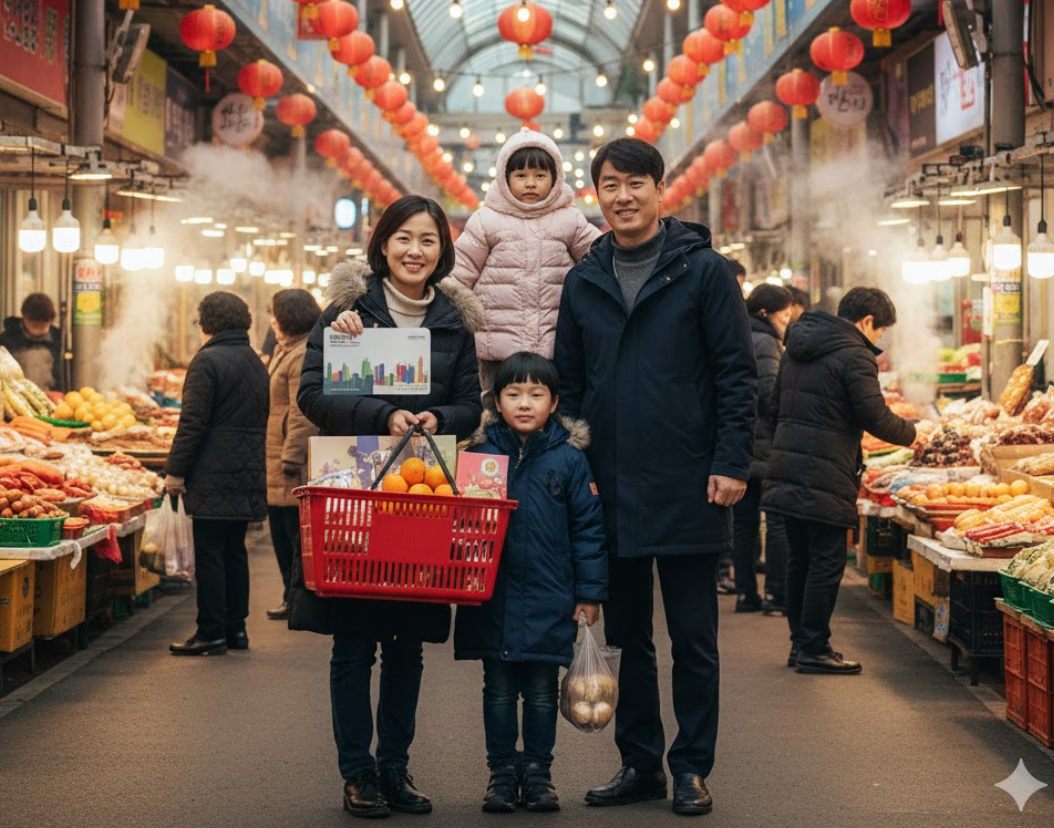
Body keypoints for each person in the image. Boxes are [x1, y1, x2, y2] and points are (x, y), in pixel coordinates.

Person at [554, 137, 757, 816]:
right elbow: (571, 386)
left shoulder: (704, 272)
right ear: (597, 194)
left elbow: (735, 374)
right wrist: (570, 467)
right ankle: (639, 761)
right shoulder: (585, 280)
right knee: (628, 638)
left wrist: (731, 461)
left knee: (694, 639)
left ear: (659, 189)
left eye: (635, 182)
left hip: (689, 481)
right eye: (610, 184)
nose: (623, 196)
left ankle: (691, 766)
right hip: (608, 484)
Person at [295, 195, 484, 819]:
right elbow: (313, 395)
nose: (414, 251)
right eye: (404, 238)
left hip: (421, 495)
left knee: (406, 644)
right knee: (353, 643)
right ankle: (357, 773)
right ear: (381, 244)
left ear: (442, 250)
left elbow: (469, 405)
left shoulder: (455, 321)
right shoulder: (348, 313)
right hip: (354, 495)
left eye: (428, 240)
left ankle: (395, 767)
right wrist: (383, 413)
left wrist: (440, 418)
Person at [454, 352, 608, 814]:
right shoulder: (478, 456)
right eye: (513, 393)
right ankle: (501, 774)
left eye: (536, 394)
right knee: (498, 690)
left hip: (550, 597)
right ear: (495, 400)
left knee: (542, 692)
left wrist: (589, 593)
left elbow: (589, 530)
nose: (525, 403)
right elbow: (458, 527)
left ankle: (539, 774)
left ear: (554, 401)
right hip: (491, 596)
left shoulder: (569, 460)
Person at [762, 287, 916, 674]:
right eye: (880, 331)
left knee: (800, 559)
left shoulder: (797, 346)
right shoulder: (855, 354)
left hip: (787, 466)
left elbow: (774, 406)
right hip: (825, 472)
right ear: (867, 322)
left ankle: (800, 644)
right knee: (826, 562)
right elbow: (874, 415)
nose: (878, 339)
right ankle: (815, 646)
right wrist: (914, 433)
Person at [451, 128, 600, 396]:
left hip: (555, 344)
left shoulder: (570, 220)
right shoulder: (486, 221)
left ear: (555, 179)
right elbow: (459, 275)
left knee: (553, 406)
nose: (530, 183)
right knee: (496, 407)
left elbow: (599, 260)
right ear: (504, 179)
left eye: (540, 176)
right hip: (497, 347)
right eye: (521, 176)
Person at [164, 291, 270, 656]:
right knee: (233, 551)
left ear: (206, 322)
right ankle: (235, 630)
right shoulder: (255, 362)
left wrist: (175, 471)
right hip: (246, 470)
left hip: (213, 470)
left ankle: (210, 632)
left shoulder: (206, 361)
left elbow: (192, 423)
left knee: (210, 553)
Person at [733, 285, 793, 615]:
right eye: (784, 316)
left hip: (742, 447)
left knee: (744, 524)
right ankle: (776, 593)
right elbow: (770, 396)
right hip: (766, 447)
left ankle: (746, 594)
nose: (786, 323)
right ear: (765, 314)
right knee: (777, 521)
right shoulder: (767, 342)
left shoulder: (740, 333)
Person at [263, 289, 320, 622]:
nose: (272, 321)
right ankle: (292, 595)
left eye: (275, 314)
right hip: (279, 453)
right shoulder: (289, 349)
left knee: (293, 534)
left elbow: (301, 411)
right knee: (284, 531)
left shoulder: (301, 353)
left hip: (291, 459)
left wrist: (292, 456)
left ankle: (297, 597)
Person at [0, 293, 63, 391]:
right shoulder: (8, 338)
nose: (38, 331)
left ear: (51, 321)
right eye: (34, 326)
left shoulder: (57, 337)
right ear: (24, 318)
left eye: (43, 327)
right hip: (18, 395)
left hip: (50, 396)